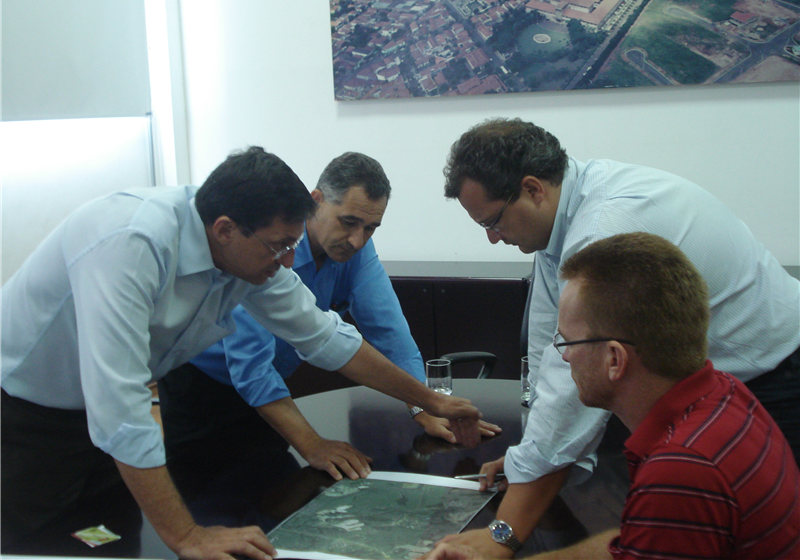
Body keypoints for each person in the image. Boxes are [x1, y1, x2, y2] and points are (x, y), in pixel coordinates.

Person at [0, 147, 481, 558]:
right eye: (280, 247)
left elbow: (325, 336)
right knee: (37, 546)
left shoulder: (246, 252)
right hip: (27, 417)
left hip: (103, 419)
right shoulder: (129, 243)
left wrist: (431, 401)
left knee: (107, 538)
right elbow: (122, 407)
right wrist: (188, 536)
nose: (290, 260)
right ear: (226, 229)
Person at [434, 118, 800, 557]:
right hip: (713, 388)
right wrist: (526, 460)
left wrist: (503, 534)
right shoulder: (569, 212)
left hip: (777, 378)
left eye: (493, 221)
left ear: (533, 189)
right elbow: (549, 348)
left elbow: (565, 389)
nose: (493, 239)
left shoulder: (605, 227)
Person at [159, 152, 501, 489]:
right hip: (202, 388)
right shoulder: (265, 251)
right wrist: (313, 444)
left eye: (370, 228)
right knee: (205, 497)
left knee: (271, 494)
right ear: (316, 202)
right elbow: (250, 368)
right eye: (349, 222)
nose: (357, 239)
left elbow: (387, 333)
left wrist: (423, 405)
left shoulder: (356, 250)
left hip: (275, 395)